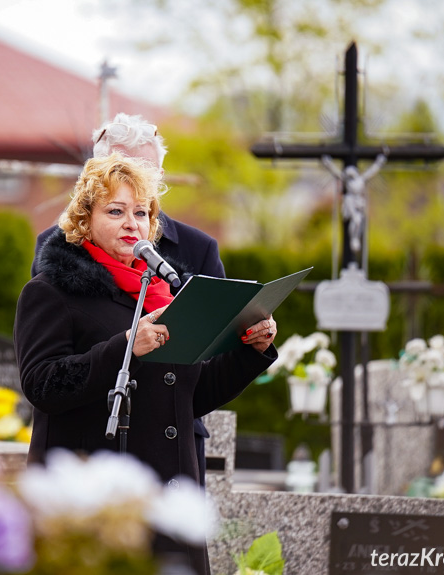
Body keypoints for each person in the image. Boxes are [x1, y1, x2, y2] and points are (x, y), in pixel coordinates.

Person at [14, 152, 278, 575]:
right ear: (84, 220)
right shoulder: (50, 292)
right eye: (115, 211)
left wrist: (251, 349)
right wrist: (125, 347)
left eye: (141, 212)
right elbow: (43, 384)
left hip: (167, 498)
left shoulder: (162, 294)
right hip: (94, 506)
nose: (131, 223)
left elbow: (192, 395)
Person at [31, 113, 225, 486]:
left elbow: (207, 358)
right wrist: (126, 346)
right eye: (122, 169)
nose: (137, 186)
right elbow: (54, 358)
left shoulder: (198, 249)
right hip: (95, 442)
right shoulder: (58, 250)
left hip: (170, 439)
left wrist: (250, 346)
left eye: (149, 175)